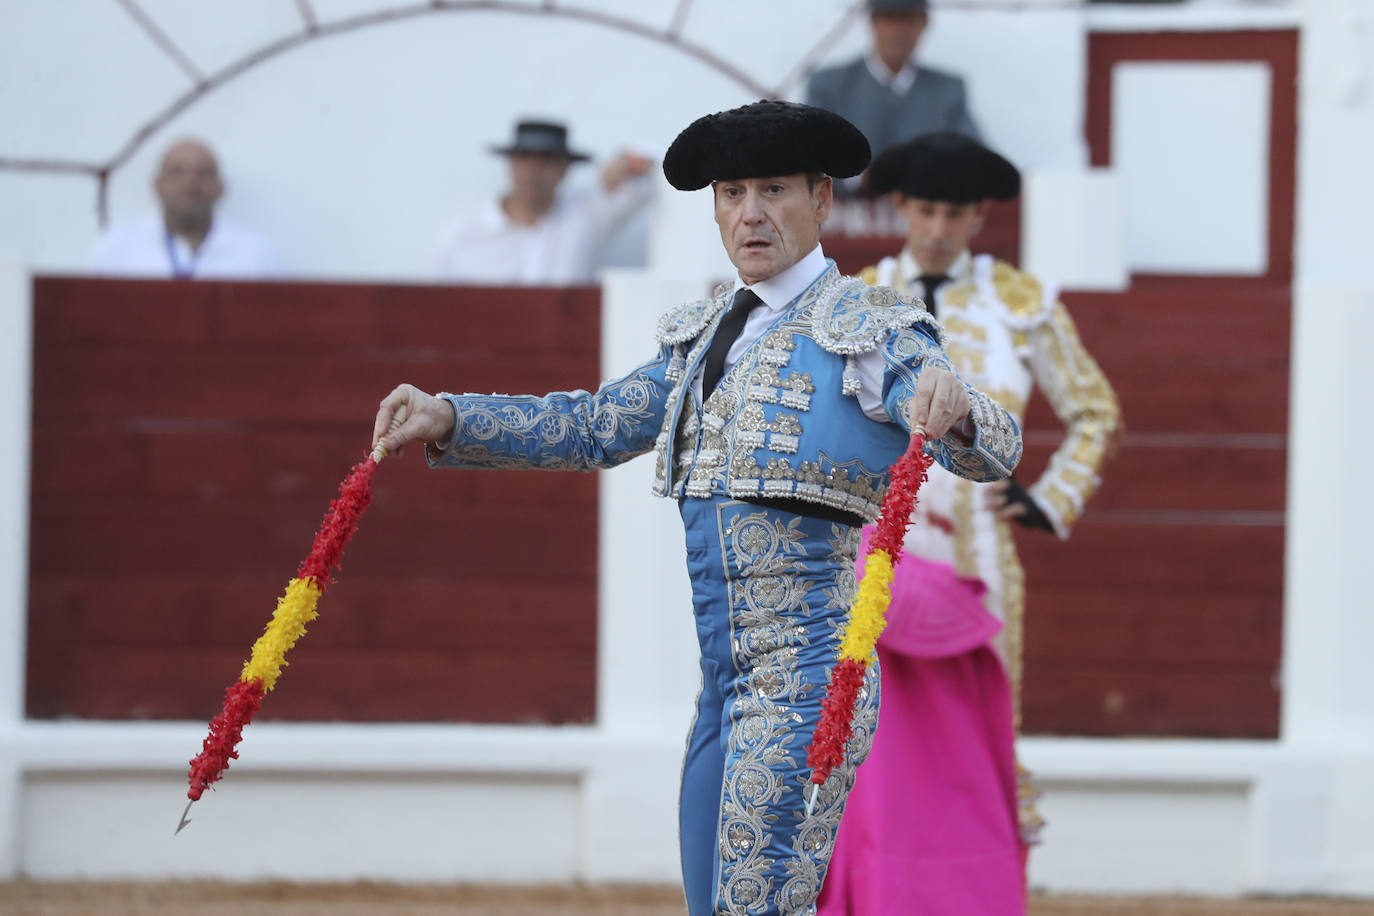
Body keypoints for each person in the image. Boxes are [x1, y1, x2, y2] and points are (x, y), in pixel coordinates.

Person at [372, 101, 1023, 916]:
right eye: (730, 192)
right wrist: (453, 417)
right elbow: (595, 427)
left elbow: (993, 444)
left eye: (774, 190)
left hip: (808, 681)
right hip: (723, 686)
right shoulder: (706, 335)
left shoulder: (870, 329)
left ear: (821, 199)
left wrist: (955, 404)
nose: (749, 213)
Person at [816, 132, 1121, 915]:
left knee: (978, 741)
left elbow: (1096, 410)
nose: (939, 228)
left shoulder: (1021, 302)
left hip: (980, 560)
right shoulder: (856, 298)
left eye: (954, 212)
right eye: (925, 210)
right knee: (864, 739)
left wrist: (1045, 499)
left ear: (978, 216)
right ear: (902, 209)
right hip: (869, 553)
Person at [434, 119, 655, 285]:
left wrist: (625, 164)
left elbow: (657, 175)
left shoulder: (586, 215)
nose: (533, 171)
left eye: (546, 161)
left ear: (566, 168)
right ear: (510, 164)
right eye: (525, 158)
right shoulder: (463, 232)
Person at [805, 0, 981, 175]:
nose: (898, 30)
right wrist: (857, 179)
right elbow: (809, 160)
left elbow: (976, 159)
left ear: (924, 23)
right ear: (873, 21)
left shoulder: (947, 90)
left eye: (908, 19)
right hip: (842, 200)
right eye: (889, 18)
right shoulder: (829, 85)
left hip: (922, 199)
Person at [89, 139, 281, 279]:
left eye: (203, 173)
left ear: (220, 187)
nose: (191, 182)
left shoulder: (257, 254)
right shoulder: (116, 248)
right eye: (177, 172)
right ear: (158, 184)